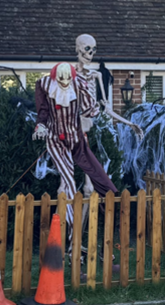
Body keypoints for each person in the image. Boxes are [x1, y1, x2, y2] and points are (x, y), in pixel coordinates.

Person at [34, 63, 116, 202]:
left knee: (89, 172)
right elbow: (43, 110)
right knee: (68, 178)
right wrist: (41, 126)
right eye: (61, 79)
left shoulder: (79, 84)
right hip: (55, 139)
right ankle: (69, 215)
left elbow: (88, 110)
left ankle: (73, 214)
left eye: (68, 79)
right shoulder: (45, 84)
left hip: (76, 137)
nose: (65, 82)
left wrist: (96, 105)